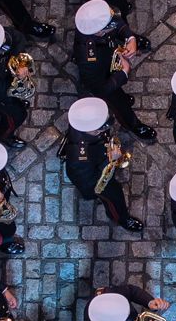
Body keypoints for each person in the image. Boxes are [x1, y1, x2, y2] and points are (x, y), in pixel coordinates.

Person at [61, 95, 143, 232]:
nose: (105, 129)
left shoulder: (86, 124)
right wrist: (110, 160)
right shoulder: (81, 155)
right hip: (94, 180)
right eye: (102, 127)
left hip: (96, 159)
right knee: (114, 198)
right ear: (92, 130)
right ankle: (120, 218)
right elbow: (94, 181)